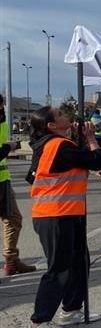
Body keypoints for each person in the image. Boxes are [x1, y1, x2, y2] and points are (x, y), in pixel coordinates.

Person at [26, 106, 101, 328]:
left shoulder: (53, 146)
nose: (66, 116)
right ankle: (38, 322)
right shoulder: (58, 146)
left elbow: (32, 176)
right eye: (61, 114)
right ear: (51, 125)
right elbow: (98, 161)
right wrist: (91, 138)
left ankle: (71, 309)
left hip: (66, 213)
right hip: (55, 214)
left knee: (79, 261)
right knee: (59, 269)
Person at [0, 94, 36, 277]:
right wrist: (9, 147)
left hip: (2, 180)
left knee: (13, 219)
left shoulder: (2, 122)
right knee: (12, 219)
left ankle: (11, 261)